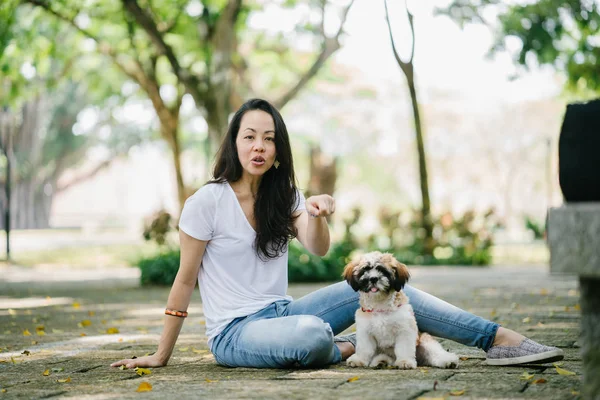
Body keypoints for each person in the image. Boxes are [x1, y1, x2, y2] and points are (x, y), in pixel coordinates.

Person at [111, 98, 563, 369]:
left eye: (268, 139)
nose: (258, 147)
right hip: (235, 334)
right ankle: (353, 345)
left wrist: (318, 212)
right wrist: (161, 355)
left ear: (278, 148)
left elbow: (316, 247)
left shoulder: (283, 195)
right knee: (309, 334)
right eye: (249, 137)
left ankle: (497, 339)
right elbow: (185, 281)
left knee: (386, 290)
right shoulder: (206, 201)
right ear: (234, 142)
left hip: (282, 312)